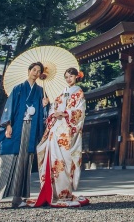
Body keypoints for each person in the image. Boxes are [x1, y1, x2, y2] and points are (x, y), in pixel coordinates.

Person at [0, 62, 49, 210]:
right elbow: (9, 108)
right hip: (16, 128)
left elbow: (44, 116)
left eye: (38, 71)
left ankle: (17, 198)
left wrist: (45, 105)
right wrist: (7, 125)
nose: (36, 72)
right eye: (34, 70)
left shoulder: (41, 91)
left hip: (31, 129)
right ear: (28, 71)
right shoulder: (18, 89)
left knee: (24, 163)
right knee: (6, 162)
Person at [31, 67, 89, 208]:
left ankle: (64, 192)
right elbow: (53, 108)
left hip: (67, 131)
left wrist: (65, 114)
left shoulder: (78, 92)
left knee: (65, 161)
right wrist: (51, 110)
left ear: (76, 77)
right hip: (56, 128)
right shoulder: (61, 93)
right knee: (52, 159)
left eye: (71, 76)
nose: (69, 79)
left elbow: (79, 112)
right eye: (67, 77)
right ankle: (51, 191)